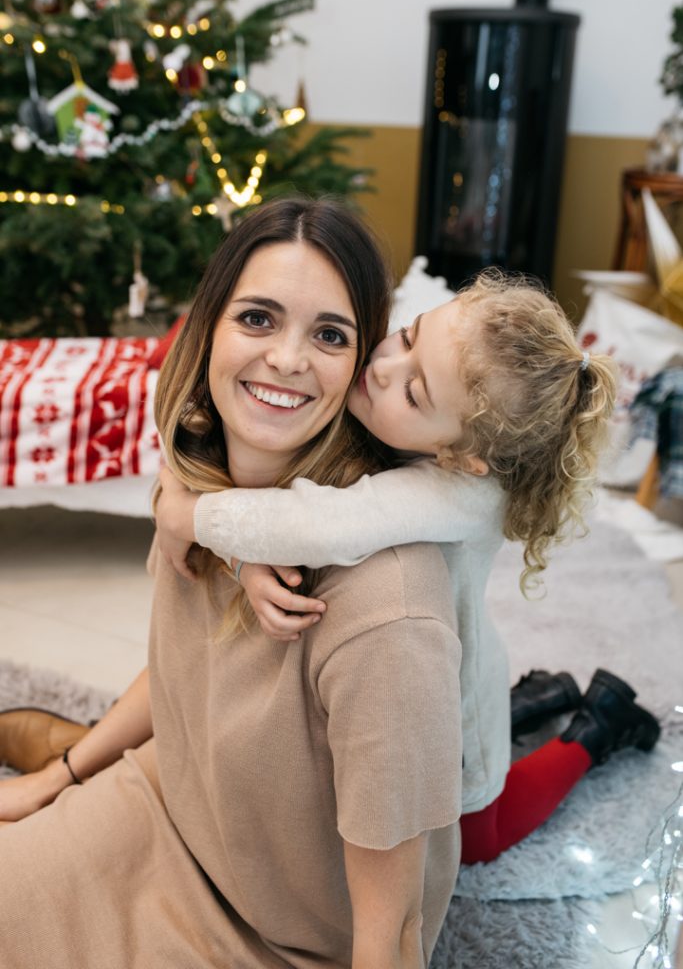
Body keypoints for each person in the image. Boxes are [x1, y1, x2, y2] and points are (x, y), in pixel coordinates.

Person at [0, 197, 463, 969]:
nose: (286, 358)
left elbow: (394, 930)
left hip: (280, 938)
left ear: (358, 365)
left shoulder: (387, 608)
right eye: (257, 318)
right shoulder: (198, 482)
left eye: (328, 334)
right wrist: (57, 779)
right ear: (206, 327)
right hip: (167, 808)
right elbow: (189, 671)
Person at [152, 268, 661, 865]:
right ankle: (543, 695)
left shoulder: (463, 494)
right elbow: (202, 438)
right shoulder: (398, 410)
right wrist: (221, 539)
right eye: (409, 335)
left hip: (453, 688)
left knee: (476, 840)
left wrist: (184, 517)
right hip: (419, 660)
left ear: (464, 457)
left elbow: (318, 525)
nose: (383, 367)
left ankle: (597, 727)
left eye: (414, 392)